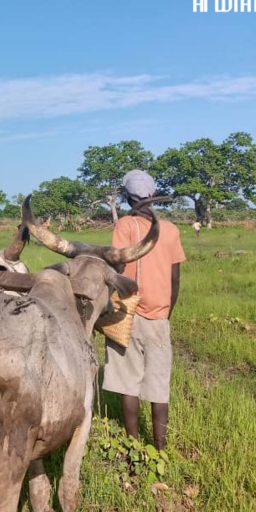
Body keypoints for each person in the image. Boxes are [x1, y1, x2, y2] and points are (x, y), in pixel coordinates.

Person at [102, 169, 186, 451]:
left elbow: (117, 269)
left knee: (129, 381)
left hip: (129, 312)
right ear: (152, 194)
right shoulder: (171, 230)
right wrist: (165, 313)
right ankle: (160, 448)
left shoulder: (125, 226)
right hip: (160, 316)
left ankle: (134, 444)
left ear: (126, 196)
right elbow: (175, 281)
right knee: (159, 384)